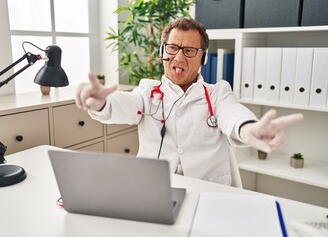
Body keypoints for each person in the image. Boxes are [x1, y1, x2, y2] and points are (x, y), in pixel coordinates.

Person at [75, 18, 303, 186]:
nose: (179, 57)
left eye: (189, 50)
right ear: (163, 51)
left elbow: (233, 115)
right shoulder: (147, 92)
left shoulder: (217, 94)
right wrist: (100, 104)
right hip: (153, 189)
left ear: (203, 57)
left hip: (208, 192)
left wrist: (250, 129)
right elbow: (122, 105)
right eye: (172, 48)